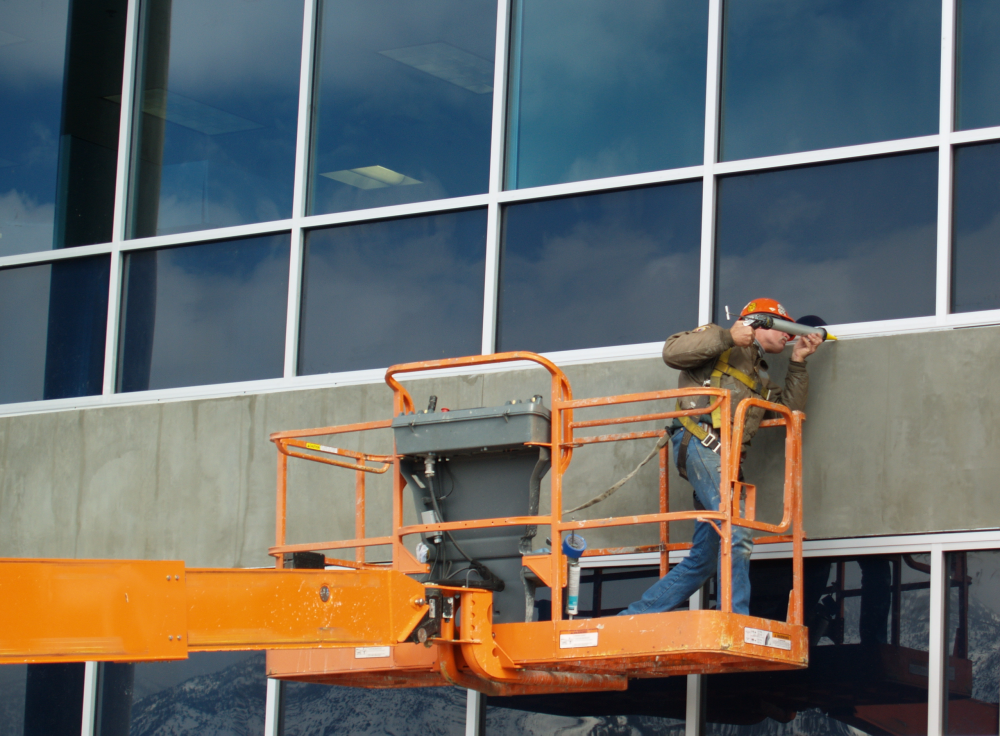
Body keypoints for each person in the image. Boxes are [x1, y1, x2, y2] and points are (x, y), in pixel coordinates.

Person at [619, 298, 823, 616]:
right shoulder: (720, 339)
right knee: (737, 530)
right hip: (704, 444)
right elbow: (672, 352)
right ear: (760, 322)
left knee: (704, 560)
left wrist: (798, 360)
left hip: (725, 462)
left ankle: (632, 619)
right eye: (785, 328)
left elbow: (790, 412)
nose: (789, 336)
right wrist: (729, 336)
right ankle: (736, 619)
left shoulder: (760, 377)